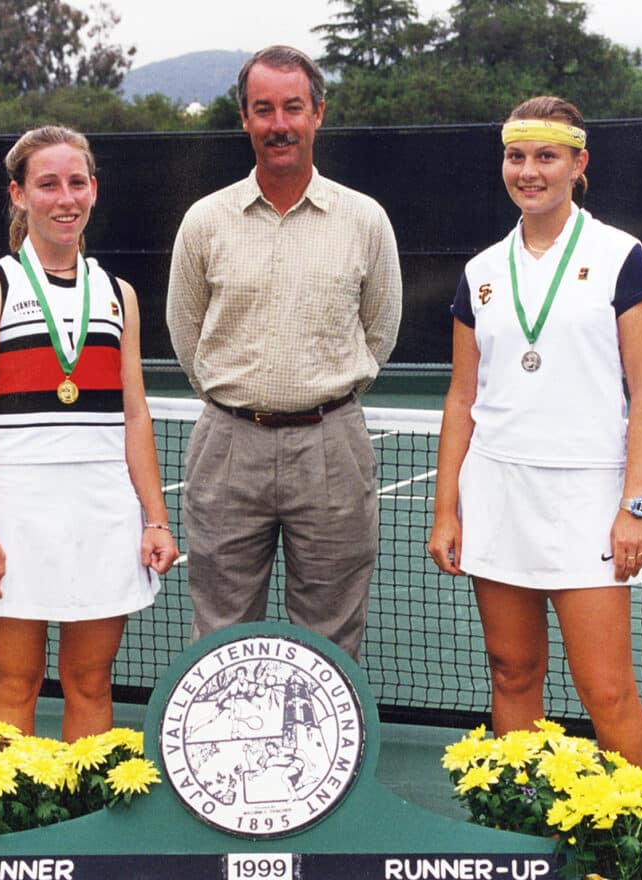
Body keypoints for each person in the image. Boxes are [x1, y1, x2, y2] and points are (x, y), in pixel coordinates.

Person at [427, 97, 642, 769]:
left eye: (546, 156)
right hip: (498, 495)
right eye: (516, 156)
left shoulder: (621, 256)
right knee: (512, 672)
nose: (528, 171)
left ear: (579, 164)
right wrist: (446, 510)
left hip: (588, 501)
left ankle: (641, 837)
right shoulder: (481, 271)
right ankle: (523, 827)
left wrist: (635, 506)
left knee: (606, 691)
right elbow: (463, 396)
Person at [0, 125, 179, 742]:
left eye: (77, 183)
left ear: (94, 190)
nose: (65, 198)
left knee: (91, 683)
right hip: (15, 511)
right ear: (19, 194)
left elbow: (134, 415)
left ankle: (82, 805)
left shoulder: (119, 294)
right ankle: (8, 806)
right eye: (48, 184)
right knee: (14, 683)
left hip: (103, 512)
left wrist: (155, 518)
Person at [166, 45, 402, 662]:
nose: (279, 124)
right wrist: (239, 405)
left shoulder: (365, 220)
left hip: (332, 447)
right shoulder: (205, 221)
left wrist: (321, 398)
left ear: (317, 113)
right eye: (264, 109)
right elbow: (186, 333)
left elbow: (380, 331)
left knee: (330, 640)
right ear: (244, 117)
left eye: (293, 107)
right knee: (220, 635)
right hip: (226, 448)